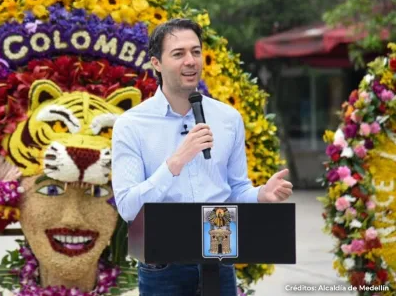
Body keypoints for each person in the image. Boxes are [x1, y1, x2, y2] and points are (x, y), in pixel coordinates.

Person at [111, 18, 293, 296]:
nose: (191, 61)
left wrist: (260, 195)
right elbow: (128, 208)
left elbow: (235, 190)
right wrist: (175, 163)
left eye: (196, 52)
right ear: (156, 63)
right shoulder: (132, 124)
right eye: (178, 53)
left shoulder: (228, 118)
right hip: (162, 266)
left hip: (219, 257)